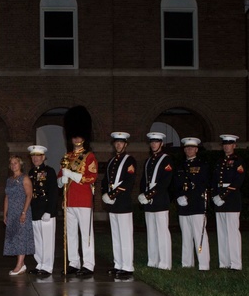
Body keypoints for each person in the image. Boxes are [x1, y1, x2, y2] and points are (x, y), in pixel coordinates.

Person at [58, 107, 97, 277]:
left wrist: (72, 174)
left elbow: (92, 177)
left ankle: (88, 264)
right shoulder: (66, 157)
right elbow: (60, 179)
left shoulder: (89, 156)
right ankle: (73, 262)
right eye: (73, 135)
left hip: (83, 200)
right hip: (69, 200)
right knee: (71, 234)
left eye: (78, 135)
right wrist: (62, 180)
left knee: (86, 234)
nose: (76, 138)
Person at [101, 131, 136, 279]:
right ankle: (118, 264)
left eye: (121, 142)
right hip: (112, 205)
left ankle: (127, 266)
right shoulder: (111, 161)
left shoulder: (130, 160)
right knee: (115, 236)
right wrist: (105, 194)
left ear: (126, 144)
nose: (118, 145)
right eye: (116, 142)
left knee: (125, 236)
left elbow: (129, 181)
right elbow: (105, 180)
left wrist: (112, 194)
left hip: (123, 203)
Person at [172, 137, 210, 270]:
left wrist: (187, 196)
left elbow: (202, 184)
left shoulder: (202, 165)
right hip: (183, 205)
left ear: (196, 149)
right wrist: (179, 196)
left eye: (192, 148)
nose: (189, 150)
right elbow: (175, 184)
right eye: (187, 148)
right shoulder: (180, 166)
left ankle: (204, 264)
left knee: (199, 234)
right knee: (186, 235)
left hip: (196, 204)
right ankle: (187, 263)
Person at [138, 131, 174, 270]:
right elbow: (144, 180)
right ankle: (153, 260)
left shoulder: (166, 159)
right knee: (151, 232)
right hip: (148, 201)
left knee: (162, 232)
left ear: (161, 144)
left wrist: (149, 194)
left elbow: (165, 182)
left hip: (159, 200)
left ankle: (165, 262)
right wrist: (143, 194)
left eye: (156, 142)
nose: (153, 144)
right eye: (152, 142)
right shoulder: (148, 161)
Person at [211, 134, 246, 270]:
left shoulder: (238, 161)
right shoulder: (219, 161)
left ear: (234, 146)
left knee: (232, 233)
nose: (226, 146)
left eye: (229, 144)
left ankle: (236, 264)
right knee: (222, 233)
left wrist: (223, 195)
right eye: (224, 144)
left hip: (231, 200)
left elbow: (238, 181)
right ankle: (224, 262)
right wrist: (215, 195)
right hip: (219, 200)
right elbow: (215, 181)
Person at [27, 144, 58, 277]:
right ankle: (39, 263)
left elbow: (54, 192)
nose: (35, 158)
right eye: (33, 156)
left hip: (46, 210)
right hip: (34, 209)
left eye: (38, 156)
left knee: (47, 240)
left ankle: (47, 267)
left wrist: (49, 211)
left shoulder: (50, 171)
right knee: (37, 240)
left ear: (43, 157)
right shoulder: (30, 173)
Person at [4, 155, 34, 275]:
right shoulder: (9, 180)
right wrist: (5, 213)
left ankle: (19, 265)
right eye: (11, 163)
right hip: (12, 213)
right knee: (15, 237)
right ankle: (21, 264)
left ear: (20, 164)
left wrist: (24, 212)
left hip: (22, 211)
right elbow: (7, 197)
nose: (13, 165)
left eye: (15, 163)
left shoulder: (24, 178)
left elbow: (29, 195)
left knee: (21, 237)